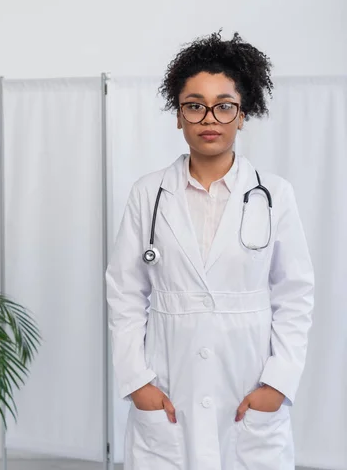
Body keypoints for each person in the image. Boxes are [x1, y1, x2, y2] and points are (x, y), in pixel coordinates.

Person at [105, 31, 315, 470]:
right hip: (168, 387)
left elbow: (295, 296)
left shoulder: (274, 194)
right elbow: (124, 293)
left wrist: (277, 384)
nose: (209, 118)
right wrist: (138, 383)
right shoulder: (149, 194)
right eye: (194, 105)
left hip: (248, 386)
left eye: (224, 105)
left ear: (243, 115)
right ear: (178, 116)